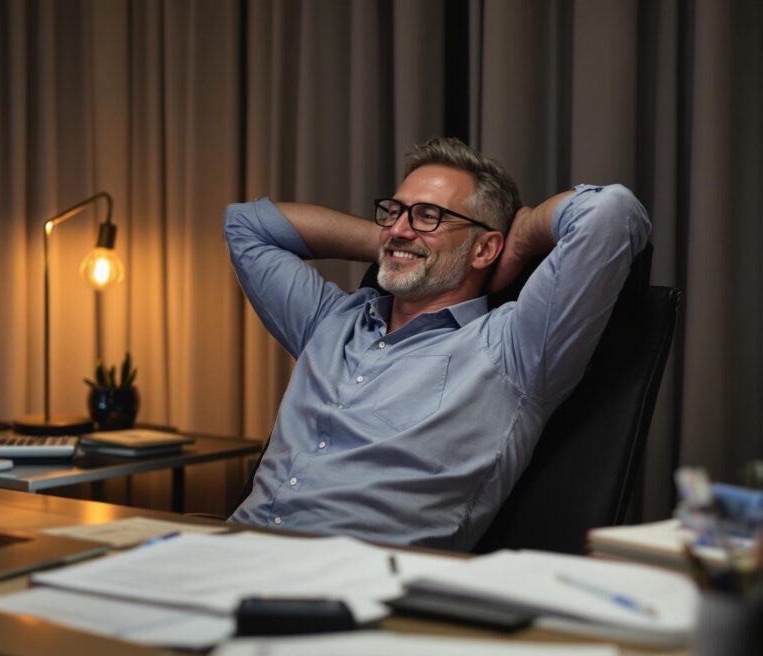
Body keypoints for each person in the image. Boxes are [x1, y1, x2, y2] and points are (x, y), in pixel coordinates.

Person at [224, 137, 650, 550]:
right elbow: (245, 225)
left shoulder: (514, 348)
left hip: (355, 578)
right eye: (394, 212)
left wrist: (519, 237)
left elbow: (611, 211)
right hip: (233, 549)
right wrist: (395, 243)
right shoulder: (330, 320)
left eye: (429, 216)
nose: (399, 227)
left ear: (484, 249)